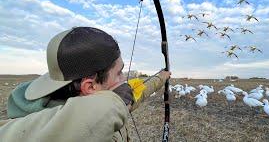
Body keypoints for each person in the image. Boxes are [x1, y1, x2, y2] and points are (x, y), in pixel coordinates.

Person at [0, 27, 171, 141]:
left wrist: (162, 77)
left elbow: (131, 95)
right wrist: (113, 104)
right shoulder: (21, 130)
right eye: (119, 72)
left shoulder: (106, 101)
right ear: (90, 87)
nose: (123, 78)